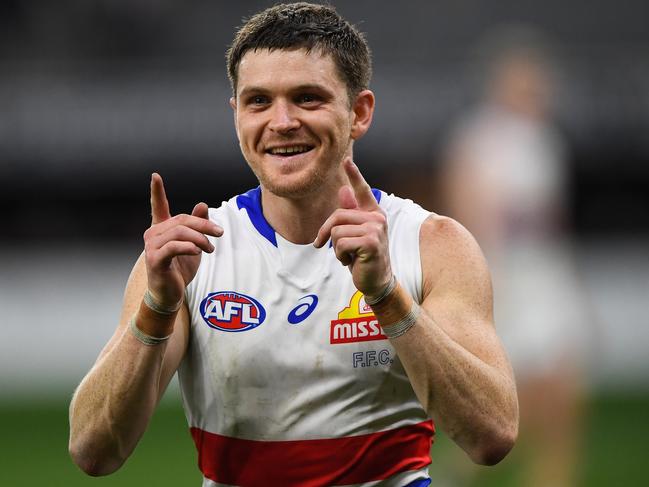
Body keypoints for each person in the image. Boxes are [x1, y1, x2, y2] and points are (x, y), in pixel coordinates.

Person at [68, 3, 518, 486]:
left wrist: (387, 296)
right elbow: (94, 450)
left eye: (307, 98)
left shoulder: (432, 243)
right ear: (237, 114)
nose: (281, 122)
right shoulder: (190, 257)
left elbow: (491, 436)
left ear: (359, 113)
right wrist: (156, 308)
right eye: (258, 101)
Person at [438, 33, 588, 487]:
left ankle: (555, 474)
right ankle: (450, 472)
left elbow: (554, 217)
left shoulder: (545, 138)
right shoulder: (479, 137)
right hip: (506, 275)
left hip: (547, 273)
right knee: (505, 404)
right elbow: (467, 208)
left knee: (564, 386)